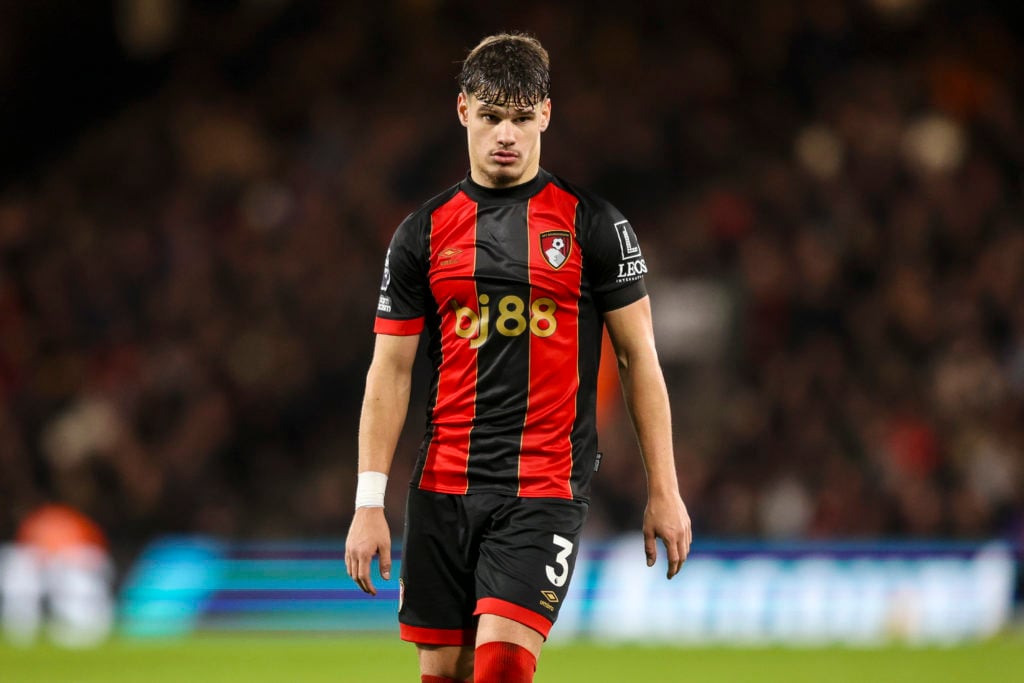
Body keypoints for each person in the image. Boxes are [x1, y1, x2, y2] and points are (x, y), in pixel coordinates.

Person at [345, 32, 692, 683]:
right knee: (446, 671)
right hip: (441, 486)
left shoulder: (594, 226)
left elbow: (639, 358)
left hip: (544, 487)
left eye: (522, 118)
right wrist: (370, 501)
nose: (506, 134)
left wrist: (664, 488)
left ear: (547, 115)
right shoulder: (421, 233)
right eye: (491, 116)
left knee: (503, 663)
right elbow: (389, 370)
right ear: (462, 112)